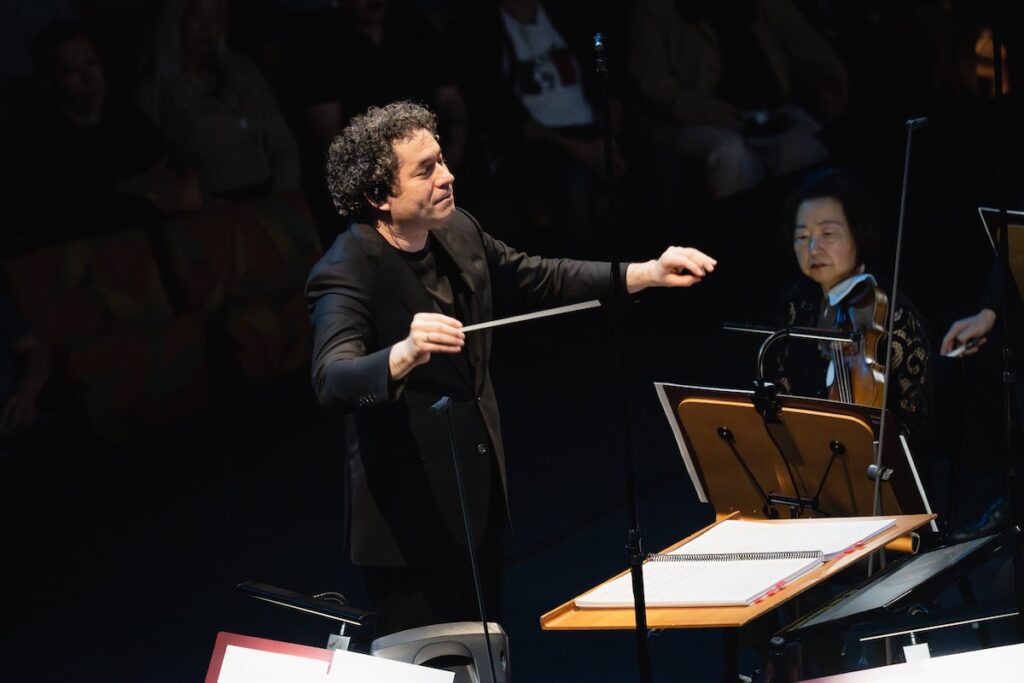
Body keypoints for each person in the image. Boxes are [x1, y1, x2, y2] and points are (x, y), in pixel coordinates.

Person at [305, 100, 717, 636]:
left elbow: (539, 275)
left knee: (487, 655)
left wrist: (643, 273)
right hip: (406, 524)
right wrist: (400, 355)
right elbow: (331, 380)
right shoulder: (345, 270)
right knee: (431, 663)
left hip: (478, 498)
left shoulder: (458, 230)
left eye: (442, 160)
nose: (448, 176)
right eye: (425, 170)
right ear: (379, 196)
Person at [628, 0, 848, 199]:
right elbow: (652, 82)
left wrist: (833, 81)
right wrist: (709, 110)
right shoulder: (656, 8)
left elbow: (800, 38)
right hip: (693, 120)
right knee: (733, 156)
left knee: (805, 148)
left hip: (766, 111)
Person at [772, 169, 931, 444]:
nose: (813, 248)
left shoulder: (894, 314)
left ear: (859, 234)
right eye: (802, 236)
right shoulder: (796, 301)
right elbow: (781, 383)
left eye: (828, 234)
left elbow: (915, 419)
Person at [136, 0, 300, 200]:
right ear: (177, 20)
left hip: (267, 199)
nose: (207, 27)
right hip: (207, 210)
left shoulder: (242, 72)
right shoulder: (156, 89)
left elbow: (283, 146)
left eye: (215, 17)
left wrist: (281, 201)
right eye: (196, 16)